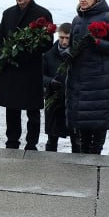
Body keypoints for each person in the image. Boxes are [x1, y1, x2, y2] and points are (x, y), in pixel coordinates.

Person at [65, 0, 109, 155]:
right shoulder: (77, 19)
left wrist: (98, 43)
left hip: (97, 81)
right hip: (77, 80)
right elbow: (73, 45)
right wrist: (68, 53)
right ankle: (83, 161)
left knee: (96, 123)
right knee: (81, 127)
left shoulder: (108, 18)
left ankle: (96, 160)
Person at [0, 0, 53, 150]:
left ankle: (31, 143)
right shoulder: (8, 13)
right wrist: (2, 57)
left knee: (32, 110)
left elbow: (47, 42)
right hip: (10, 69)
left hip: (30, 69)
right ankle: (12, 141)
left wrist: (25, 54)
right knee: (11, 109)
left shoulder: (42, 14)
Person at [42, 23, 76, 152]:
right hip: (54, 100)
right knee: (52, 138)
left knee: (76, 139)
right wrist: (50, 82)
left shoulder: (77, 54)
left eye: (67, 38)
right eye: (61, 37)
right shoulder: (49, 54)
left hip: (72, 100)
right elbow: (40, 75)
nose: (64, 41)